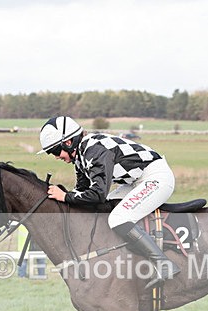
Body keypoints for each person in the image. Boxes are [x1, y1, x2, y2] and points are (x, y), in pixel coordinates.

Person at [38, 116, 179, 290]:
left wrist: (65, 197)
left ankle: (164, 264)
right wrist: (62, 197)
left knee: (118, 218)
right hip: (135, 181)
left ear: (68, 142)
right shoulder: (81, 156)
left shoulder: (94, 151)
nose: (56, 157)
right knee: (106, 208)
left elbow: (97, 194)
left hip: (156, 177)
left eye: (55, 151)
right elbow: (82, 192)